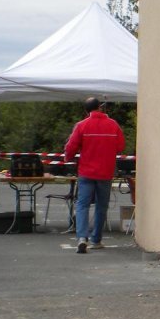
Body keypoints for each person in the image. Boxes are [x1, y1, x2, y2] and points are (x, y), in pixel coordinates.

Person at [65, 97, 125, 253]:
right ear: (100, 107)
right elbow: (120, 146)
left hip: (86, 172)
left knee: (82, 205)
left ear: (86, 110)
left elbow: (71, 147)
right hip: (105, 172)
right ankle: (96, 239)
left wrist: (68, 158)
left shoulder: (82, 125)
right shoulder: (113, 125)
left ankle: (82, 238)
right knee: (101, 206)